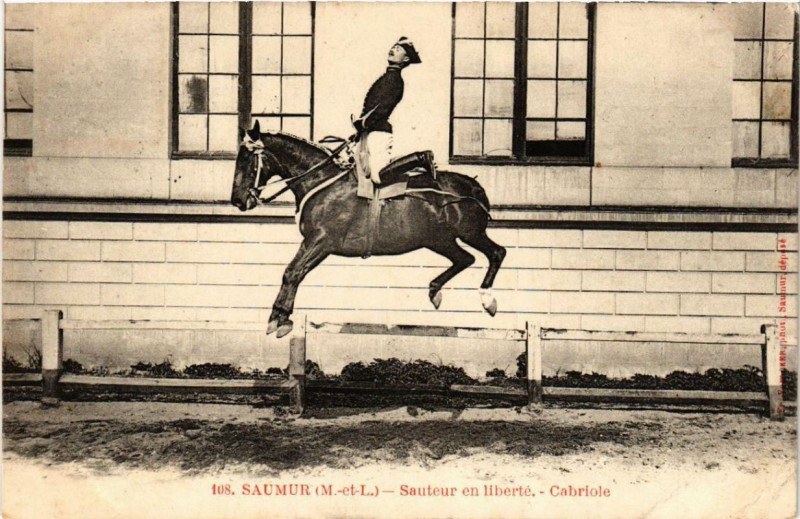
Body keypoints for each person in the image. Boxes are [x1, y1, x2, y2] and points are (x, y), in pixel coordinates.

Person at [353, 37, 436, 186]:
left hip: (378, 131)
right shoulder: (388, 77)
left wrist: (363, 123)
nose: (393, 50)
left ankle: (419, 158)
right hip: (370, 130)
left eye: (398, 49)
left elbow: (381, 108)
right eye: (393, 47)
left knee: (378, 176)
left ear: (405, 59)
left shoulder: (394, 80)